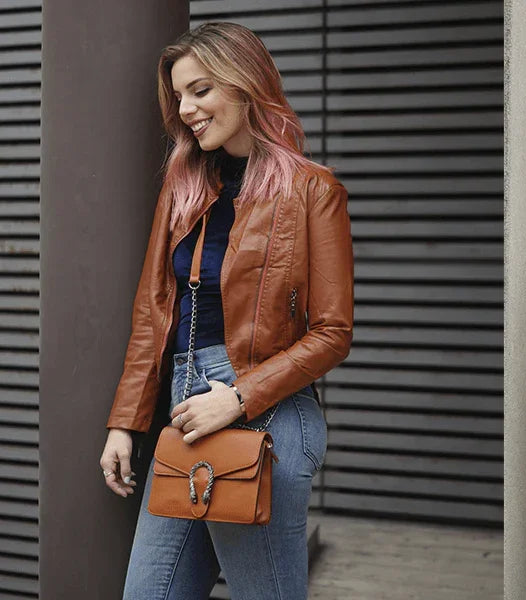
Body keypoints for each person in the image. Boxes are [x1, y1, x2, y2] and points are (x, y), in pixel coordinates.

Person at [97, 22, 353, 600]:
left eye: (201, 90)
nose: (186, 108)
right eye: (180, 95)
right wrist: (126, 421)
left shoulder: (313, 190)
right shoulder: (185, 185)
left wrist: (236, 397)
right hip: (185, 414)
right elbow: (154, 313)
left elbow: (333, 333)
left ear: (244, 84)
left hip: (263, 414)